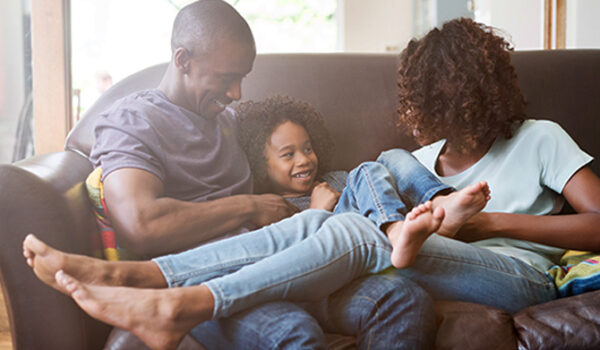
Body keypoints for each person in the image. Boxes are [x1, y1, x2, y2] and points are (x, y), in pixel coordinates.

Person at [25, 1, 439, 349]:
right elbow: (141, 224)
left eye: (242, 78)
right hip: (203, 279)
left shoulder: (231, 120)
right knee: (292, 332)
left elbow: (291, 159)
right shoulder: (132, 121)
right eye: (226, 78)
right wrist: (248, 206)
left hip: (279, 263)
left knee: (403, 299)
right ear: (183, 60)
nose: (236, 93)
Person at [23, 95, 490, 349]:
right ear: (258, 161)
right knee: (295, 332)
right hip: (262, 284)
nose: (303, 159)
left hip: (333, 281)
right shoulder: (252, 201)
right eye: (286, 154)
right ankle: (139, 281)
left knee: (402, 297)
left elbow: (374, 179)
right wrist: (314, 215)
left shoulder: (337, 180)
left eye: (307, 148)